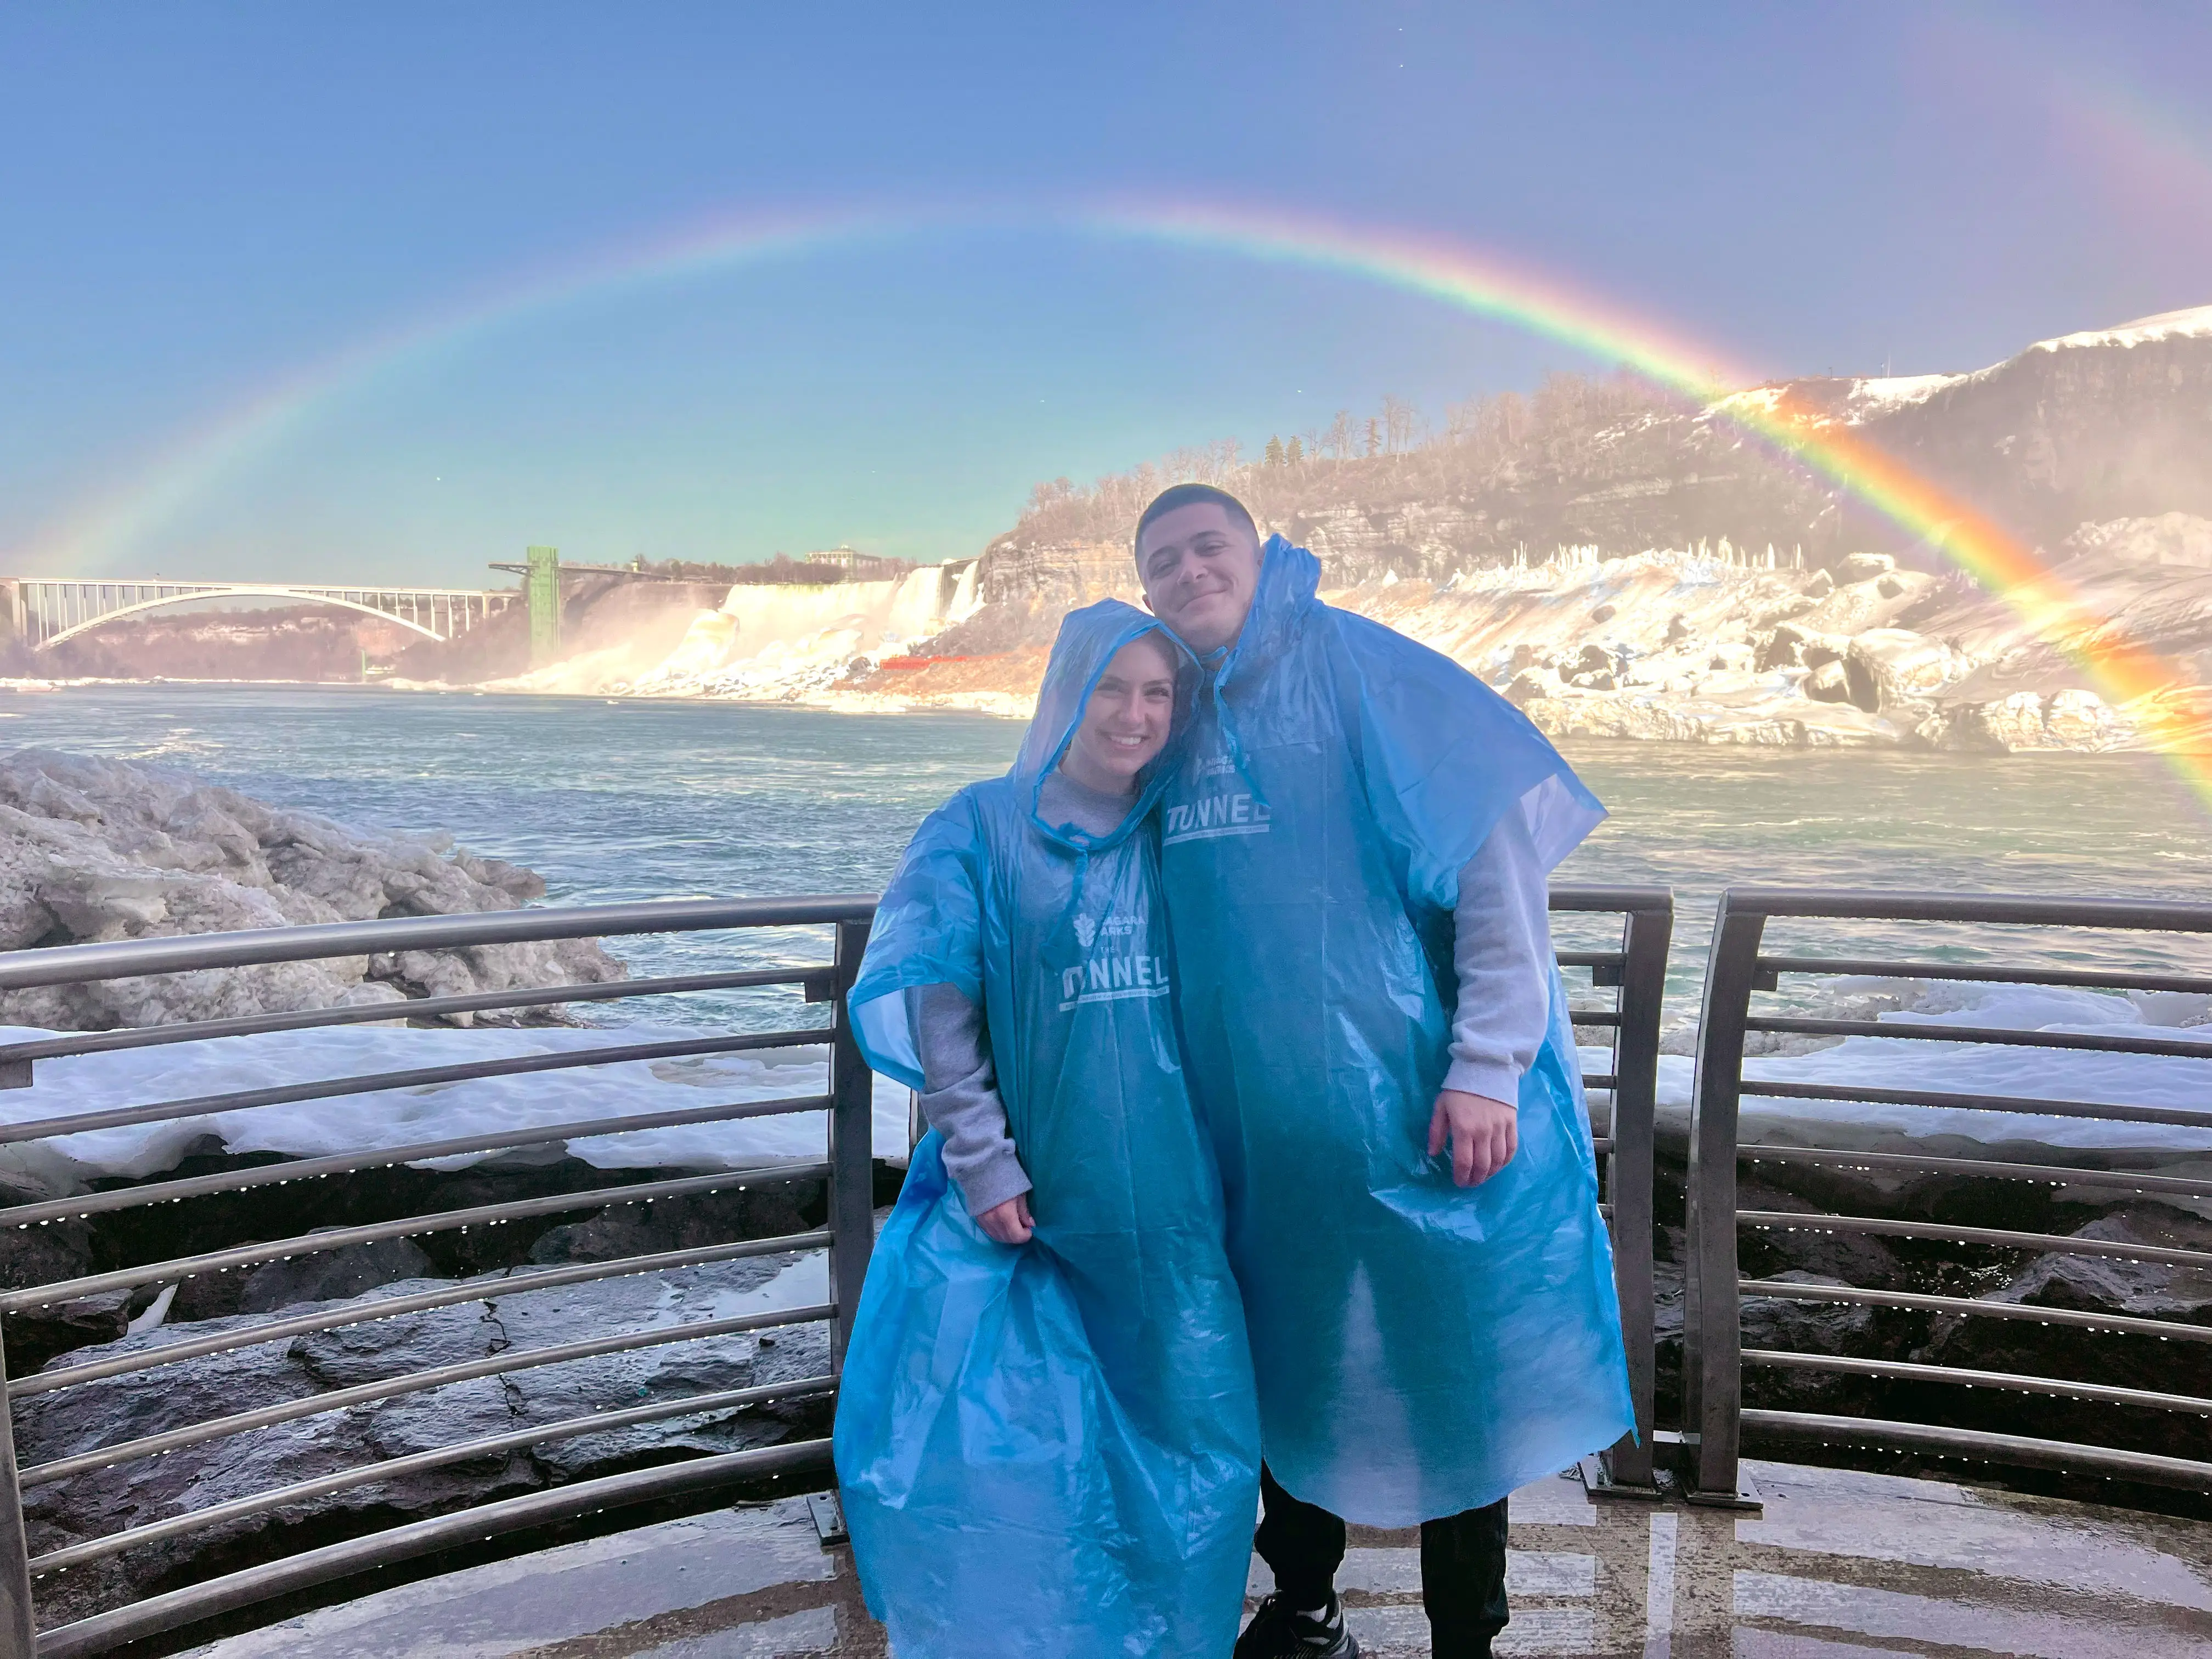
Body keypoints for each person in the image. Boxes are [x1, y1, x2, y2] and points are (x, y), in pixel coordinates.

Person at [1135, 484, 1634, 1659]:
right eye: (1162, 561)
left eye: (1210, 547)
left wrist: (1489, 1066)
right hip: (1253, 1126)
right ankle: (1306, 1601)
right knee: (1281, 1359)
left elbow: (1493, 871)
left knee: (1452, 1362)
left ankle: (1469, 1633)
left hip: (1416, 1106)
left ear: (1259, 557)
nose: (1188, 572)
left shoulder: (1365, 672)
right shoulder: (1173, 709)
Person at [833, 599, 1262, 1659]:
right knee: (1008, 1450)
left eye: (1158, 691)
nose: (1134, 713)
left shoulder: (1182, 832)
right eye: (1111, 687)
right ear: (1066, 692)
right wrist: (983, 1160)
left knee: (1188, 1443)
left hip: (1172, 1205)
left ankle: (1163, 1639)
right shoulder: (978, 827)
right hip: (1024, 1197)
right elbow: (943, 1006)